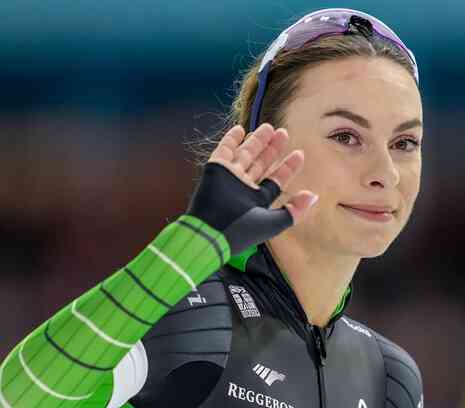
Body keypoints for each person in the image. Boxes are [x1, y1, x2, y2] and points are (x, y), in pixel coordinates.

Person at [0, 7, 424, 408]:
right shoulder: (195, 325)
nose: (385, 172)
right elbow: (15, 398)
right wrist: (190, 246)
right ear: (264, 142)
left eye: (404, 143)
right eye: (346, 136)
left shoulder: (391, 379)